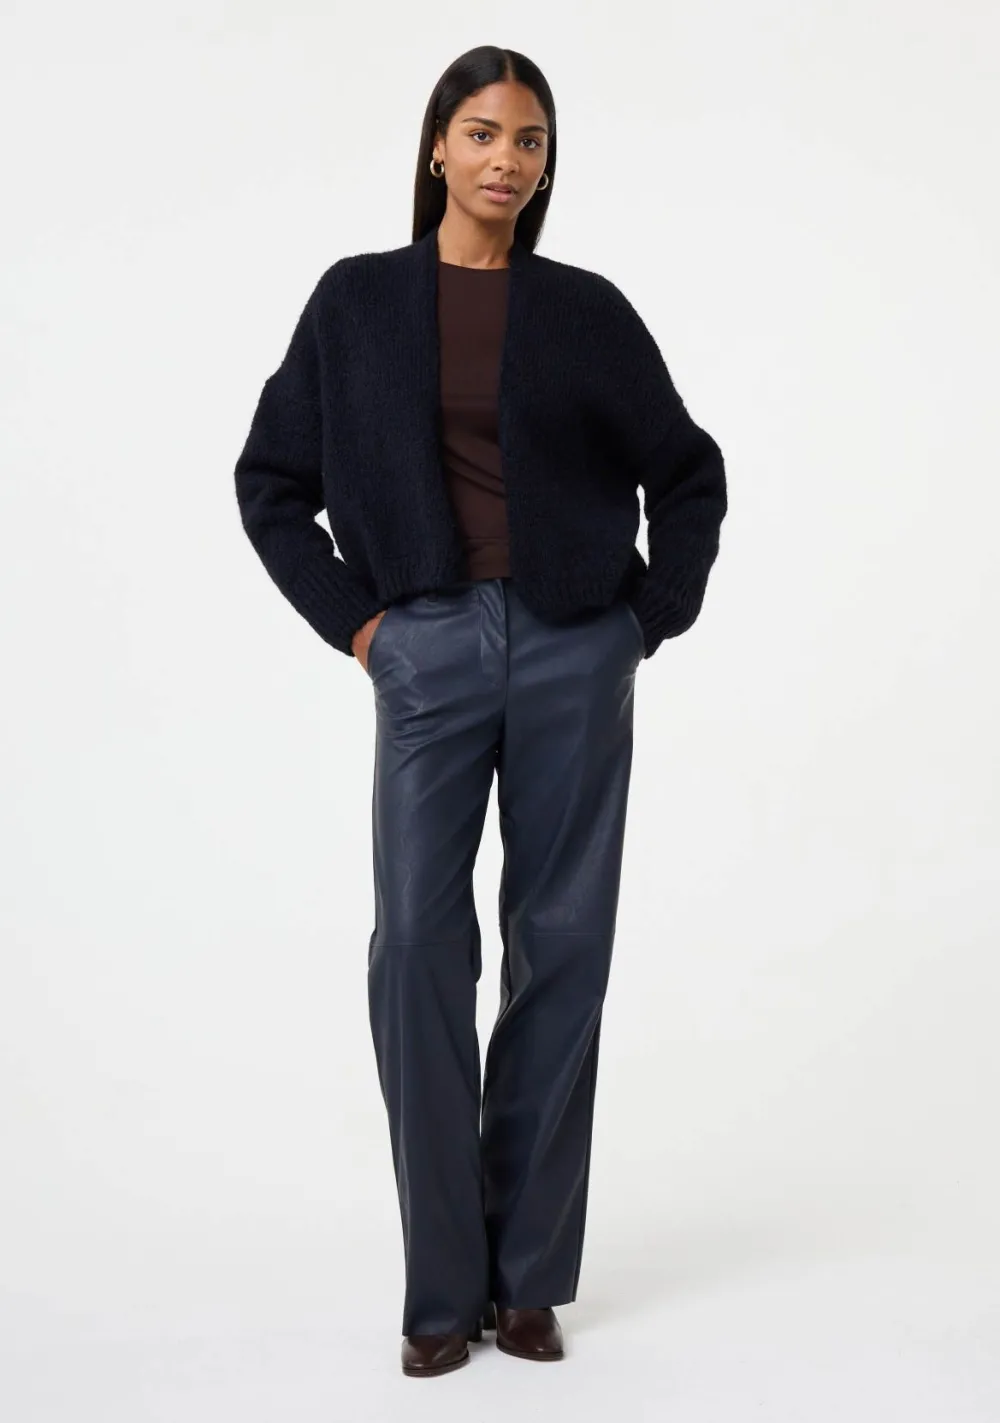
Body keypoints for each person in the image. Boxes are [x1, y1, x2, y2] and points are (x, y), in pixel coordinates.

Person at [233, 45, 727, 1379]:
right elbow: (271, 481)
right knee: (416, 949)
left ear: (546, 166)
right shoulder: (357, 301)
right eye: (485, 132)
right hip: (428, 649)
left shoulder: (586, 312)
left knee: (560, 948)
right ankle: (442, 1285)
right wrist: (362, 625)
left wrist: (643, 620)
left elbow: (688, 474)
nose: (508, 159)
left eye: (531, 140)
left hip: (574, 646)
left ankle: (528, 1281)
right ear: (438, 146)